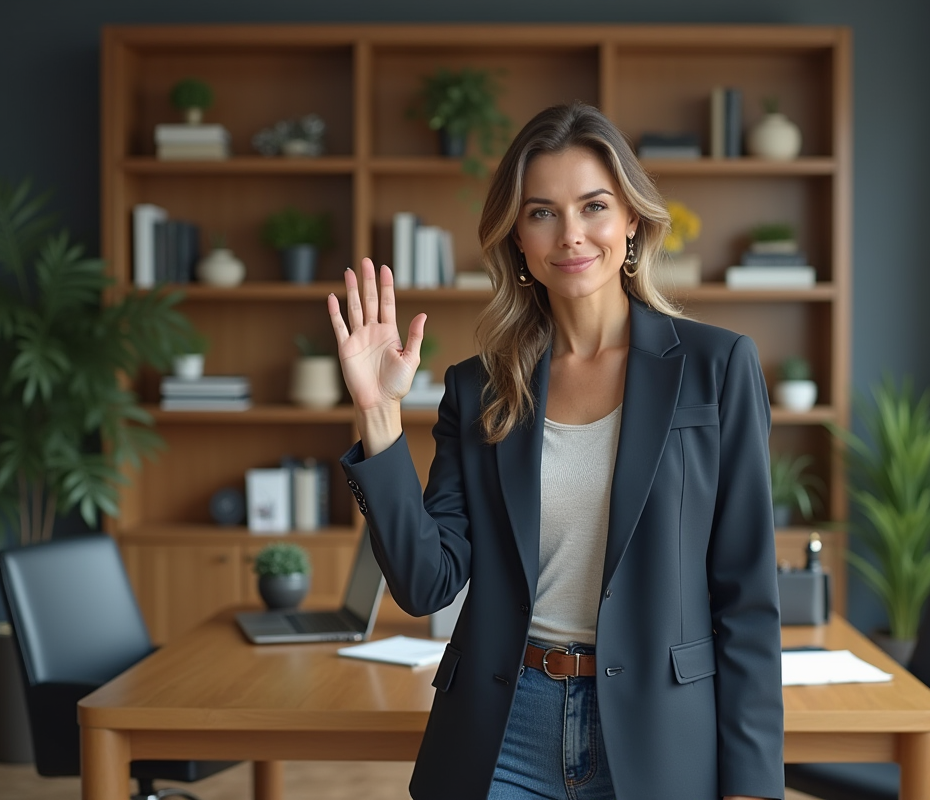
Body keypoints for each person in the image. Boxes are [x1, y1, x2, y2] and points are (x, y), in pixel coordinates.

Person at [329, 102, 783, 800]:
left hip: (657, 734)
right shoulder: (480, 388)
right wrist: (378, 413)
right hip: (503, 730)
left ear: (631, 219)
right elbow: (427, 583)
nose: (571, 234)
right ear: (517, 237)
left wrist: (752, 787)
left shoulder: (717, 368)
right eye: (542, 212)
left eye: (593, 205)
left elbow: (747, 595)